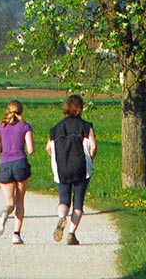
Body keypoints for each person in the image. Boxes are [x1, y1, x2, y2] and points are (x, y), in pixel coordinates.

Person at [47, 94, 96, 246]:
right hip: (82, 168)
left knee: (64, 200)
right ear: (80, 109)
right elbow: (93, 146)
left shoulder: (56, 128)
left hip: (62, 168)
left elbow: (48, 148)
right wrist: (91, 159)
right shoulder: (86, 126)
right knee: (78, 203)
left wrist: (57, 157)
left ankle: (62, 216)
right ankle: (71, 234)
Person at [0, 100, 34, 244]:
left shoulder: (1, 126)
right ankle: (16, 234)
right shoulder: (25, 127)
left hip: (5, 164)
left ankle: (4, 214)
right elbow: (31, 149)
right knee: (20, 201)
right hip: (20, 163)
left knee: (9, 202)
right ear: (21, 111)